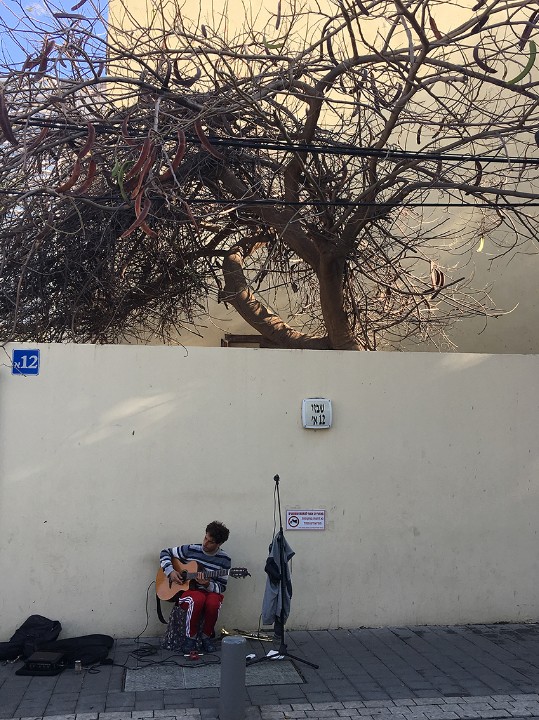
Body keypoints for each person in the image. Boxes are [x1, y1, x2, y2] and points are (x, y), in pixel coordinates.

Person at [159, 520, 231, 653]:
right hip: (188, 592)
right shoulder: (191, 549)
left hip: (208, 592)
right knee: (197, 599)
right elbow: (165, 552)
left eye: (210, 542)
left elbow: (221, 587)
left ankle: (206, 636)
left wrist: (207, 584)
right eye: (205, 538)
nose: (205, 543)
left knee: (214, 602)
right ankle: (190, 638)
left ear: (219, 544)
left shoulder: (224, 559)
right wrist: (170, 572)